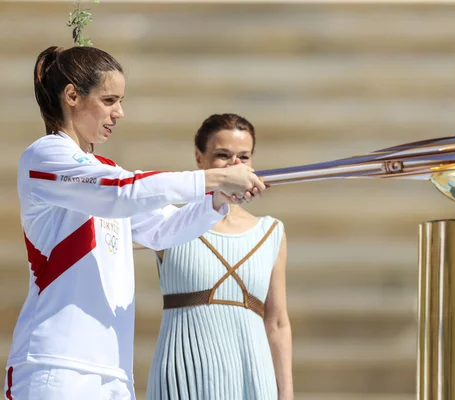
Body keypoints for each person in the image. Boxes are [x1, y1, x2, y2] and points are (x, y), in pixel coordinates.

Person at [4, 46, 266, 400]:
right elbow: (122, 192)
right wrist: (215, 180)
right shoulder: (46, 157)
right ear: (71, 96)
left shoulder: (106, 172)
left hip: (113, 371)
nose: (120, 113)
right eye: (110, 100)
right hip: (56, 365)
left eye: (121, 101)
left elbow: (165, 230)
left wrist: (217, 201)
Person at [146, 114, 293, 400]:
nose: (235, 167)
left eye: (243, 157)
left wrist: (285, 394)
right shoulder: (169, 223)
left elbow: (277, 322)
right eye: (223, 156)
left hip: (252, 372)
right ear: (199, 159)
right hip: (184, 374)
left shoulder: (271, 231)